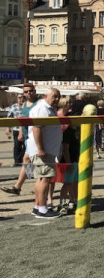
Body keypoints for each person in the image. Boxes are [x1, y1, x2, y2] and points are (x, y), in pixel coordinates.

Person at [28, 88, 63, 218]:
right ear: (45, 96)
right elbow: (37, 129)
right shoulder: (42, 108)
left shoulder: (48, 108)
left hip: (46, 149)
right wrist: (41, 148)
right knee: (45, 178)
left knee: (41, 178)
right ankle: (42, 208)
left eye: (58, 96)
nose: (57, 99)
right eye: (54, 96)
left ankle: (38, 206)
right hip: (44, 150)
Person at [1, 84, 39, 196]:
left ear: (35, 91)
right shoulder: (25, 105)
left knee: (31, 160)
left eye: (31, 91)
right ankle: (19, 186)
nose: (29, 93)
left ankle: (23, 186)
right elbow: (23, 120)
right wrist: (22, 132)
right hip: (28, 136)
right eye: (26, 92)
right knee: (28, 160)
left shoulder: (39, 103)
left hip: (37, 135)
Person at [6, 94, 25, 166]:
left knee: (26, 145)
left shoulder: (27, 106)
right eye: (20, 98)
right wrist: (8, 127)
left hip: (26, 129)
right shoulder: (14, 107)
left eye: (23, 97)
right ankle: (17, 161)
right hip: (16, 129)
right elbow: (9, 117)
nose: (21, 99)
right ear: (17, 99)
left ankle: (24, 159)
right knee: (17, 145)